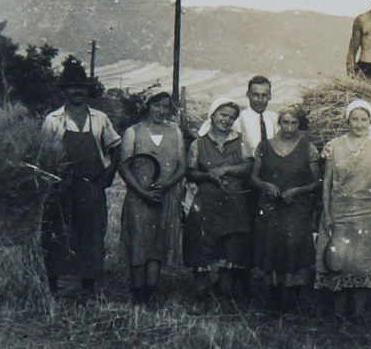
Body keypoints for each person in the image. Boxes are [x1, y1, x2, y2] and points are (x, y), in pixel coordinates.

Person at [41, 57, 121, 300]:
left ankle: (87, 288)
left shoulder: (99, 119)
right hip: (60, 187)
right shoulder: (53, 120)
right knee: (57, 234)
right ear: (64, 91)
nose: (77, 92)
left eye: (82, 87)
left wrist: (109, 173)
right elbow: (44, 156)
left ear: (88, 90)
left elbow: (115, 147)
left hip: (90, 187)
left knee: (91, 234)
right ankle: (52, 287)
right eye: (72, 87)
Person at [197, 76, 278, 294]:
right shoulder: (238, 119)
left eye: (264, 95)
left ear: (270, 96)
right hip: (243, 186)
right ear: (248, 95)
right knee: (241, 234)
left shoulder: (274, 119)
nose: (260, 99)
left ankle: (260, 282)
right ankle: (239, 283)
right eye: (255, 94)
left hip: (267, 183)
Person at [315, 99, 371, 318]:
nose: (359, 124)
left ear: (370, 122)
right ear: (347, 121)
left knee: (362, 264)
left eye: (363, 120)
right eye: (355, 119)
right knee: (338, 261)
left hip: (366, 214)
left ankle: (357, 315)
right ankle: (339, 315)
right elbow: (327, 183)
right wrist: (327, 214)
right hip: (339, 212)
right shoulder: (334, 146)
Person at [250, 105, 321, 313]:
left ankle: (293, 300)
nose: (289, 127)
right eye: (285, 122)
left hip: (296, 208)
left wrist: (298, 191)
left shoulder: (308, 148)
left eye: (294, 123)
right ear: (278, 123)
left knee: (294, 249)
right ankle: (273, 297)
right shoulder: (264, 146)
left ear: (300, 124)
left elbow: (318, 181)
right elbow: (253, 177)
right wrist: (266, 186)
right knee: (271, 248)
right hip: (272, 207)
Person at [118, 90, 186, 305]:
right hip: (139, 198)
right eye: (157, 106)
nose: (161, 111)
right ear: (148, 106)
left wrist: (167, 185)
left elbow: (183, 166)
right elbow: (124, 166)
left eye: (166, 107)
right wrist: (142, 191)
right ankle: (138, 295)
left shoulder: (175, 132)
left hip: (165, 198)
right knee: (139, 243)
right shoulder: (134, 132)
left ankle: (151, 292)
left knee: (158, 246)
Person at [184, 98, 253, 300]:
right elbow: (190, 172)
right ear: (213, 115)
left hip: (233, 205)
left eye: (232, 117)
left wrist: (226, 169)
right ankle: (201, 296)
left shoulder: (241, 141)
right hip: (206, 204)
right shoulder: (199, 143)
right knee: (201, 248)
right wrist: (208, 175)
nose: (227, 120)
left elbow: (248, 166)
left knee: (231, 249)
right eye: (223, 115)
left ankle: (224, 297)